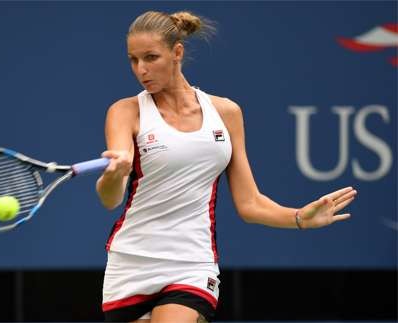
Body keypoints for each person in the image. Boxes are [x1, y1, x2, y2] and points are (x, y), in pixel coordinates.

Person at [95, 10, 357, 323]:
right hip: (132, 262)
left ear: (177, 52)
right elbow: (110, 198)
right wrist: (115, 174)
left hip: (192, 264)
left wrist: (299, 217)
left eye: (151, 57)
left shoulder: (226, 112)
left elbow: (249, 203)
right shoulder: (126, 112)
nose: (141, 70)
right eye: (133, 60)